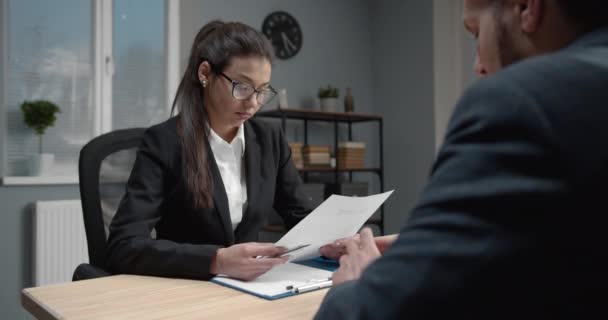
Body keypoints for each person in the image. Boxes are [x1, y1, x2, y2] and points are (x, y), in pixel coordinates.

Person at [315, 0, 608, 318]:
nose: (478, 66)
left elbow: (371, 311)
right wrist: (434, 244)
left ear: (526, 7)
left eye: (476, 31)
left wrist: (357, 282)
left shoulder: (523, 101)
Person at [106, 20, 315, 281]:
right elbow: (123, 246)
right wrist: (216, 260)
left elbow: (302, 217)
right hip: (186, 289)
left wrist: (333, 241)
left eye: (262, 91)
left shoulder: (270, 138)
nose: (253, 103)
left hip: (251, 290)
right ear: (205, 73)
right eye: (242, 87)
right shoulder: (164, 142)